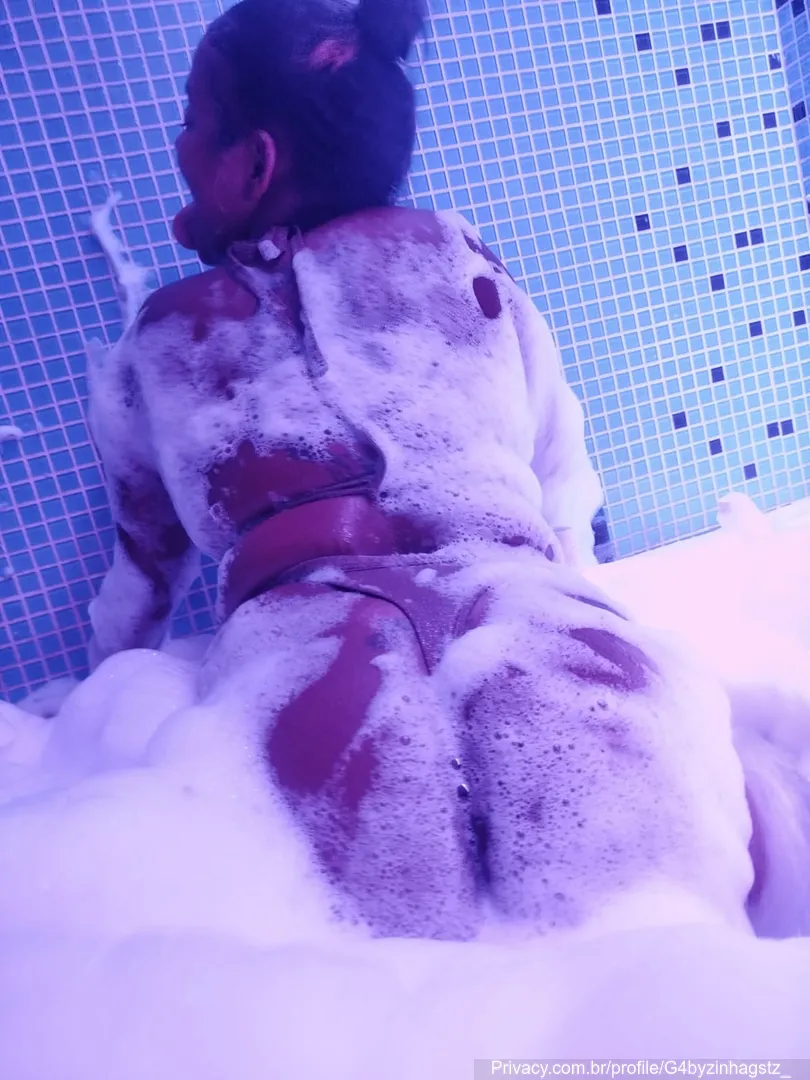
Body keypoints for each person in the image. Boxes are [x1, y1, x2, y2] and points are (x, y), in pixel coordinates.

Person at [86, 0, 755, 938]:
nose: (179, 144)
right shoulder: (460, 264)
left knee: (400, 958)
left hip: (310, 637)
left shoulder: (170, 337)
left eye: (193, 118)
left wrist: (89, 718)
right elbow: (562, 481)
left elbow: (141, 587)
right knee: (655, 931)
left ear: (253, 165)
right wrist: (584, 600)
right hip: (531, 603)